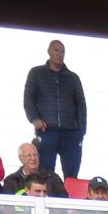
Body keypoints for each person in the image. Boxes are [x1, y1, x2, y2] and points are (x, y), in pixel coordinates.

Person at [23, 39, 85, 177]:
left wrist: (81, 132)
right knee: (45, 173)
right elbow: (28, 99)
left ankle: (68, 192)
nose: (59, 54)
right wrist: (34, 119)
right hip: (47, 130)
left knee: (72, 174)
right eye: (56, 50)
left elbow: (81, 105)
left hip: (71, 132)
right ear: (49, 52)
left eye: (62, 51)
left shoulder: (73, 78)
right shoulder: (36, 73)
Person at [2, 142, 68, 197]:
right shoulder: (11, 181)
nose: (33, 158)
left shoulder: (52, 177)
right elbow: (6, 205)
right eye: (29, 155)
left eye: (35, 155)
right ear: (21, 159)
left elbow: (63, 199)